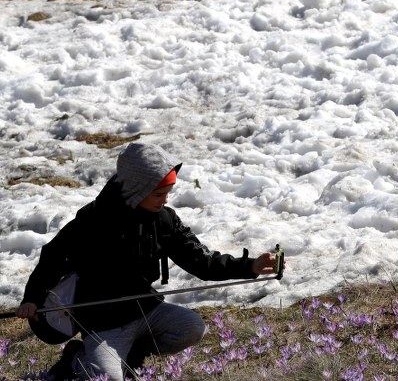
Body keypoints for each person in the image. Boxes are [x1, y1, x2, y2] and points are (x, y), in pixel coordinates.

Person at [15, 141, 280, 380]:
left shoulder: (165, 219)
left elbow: (200, 260)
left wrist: (250, 267)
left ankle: (131, 352)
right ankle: (76, 358)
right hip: (104, 323)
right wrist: (32, 298)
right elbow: (53, 257)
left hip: (147, 310)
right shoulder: (93, 221)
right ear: (136, 189)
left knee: (192, 327)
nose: (165, 200)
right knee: (107, 380)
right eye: (158, 194)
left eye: (168, 192)